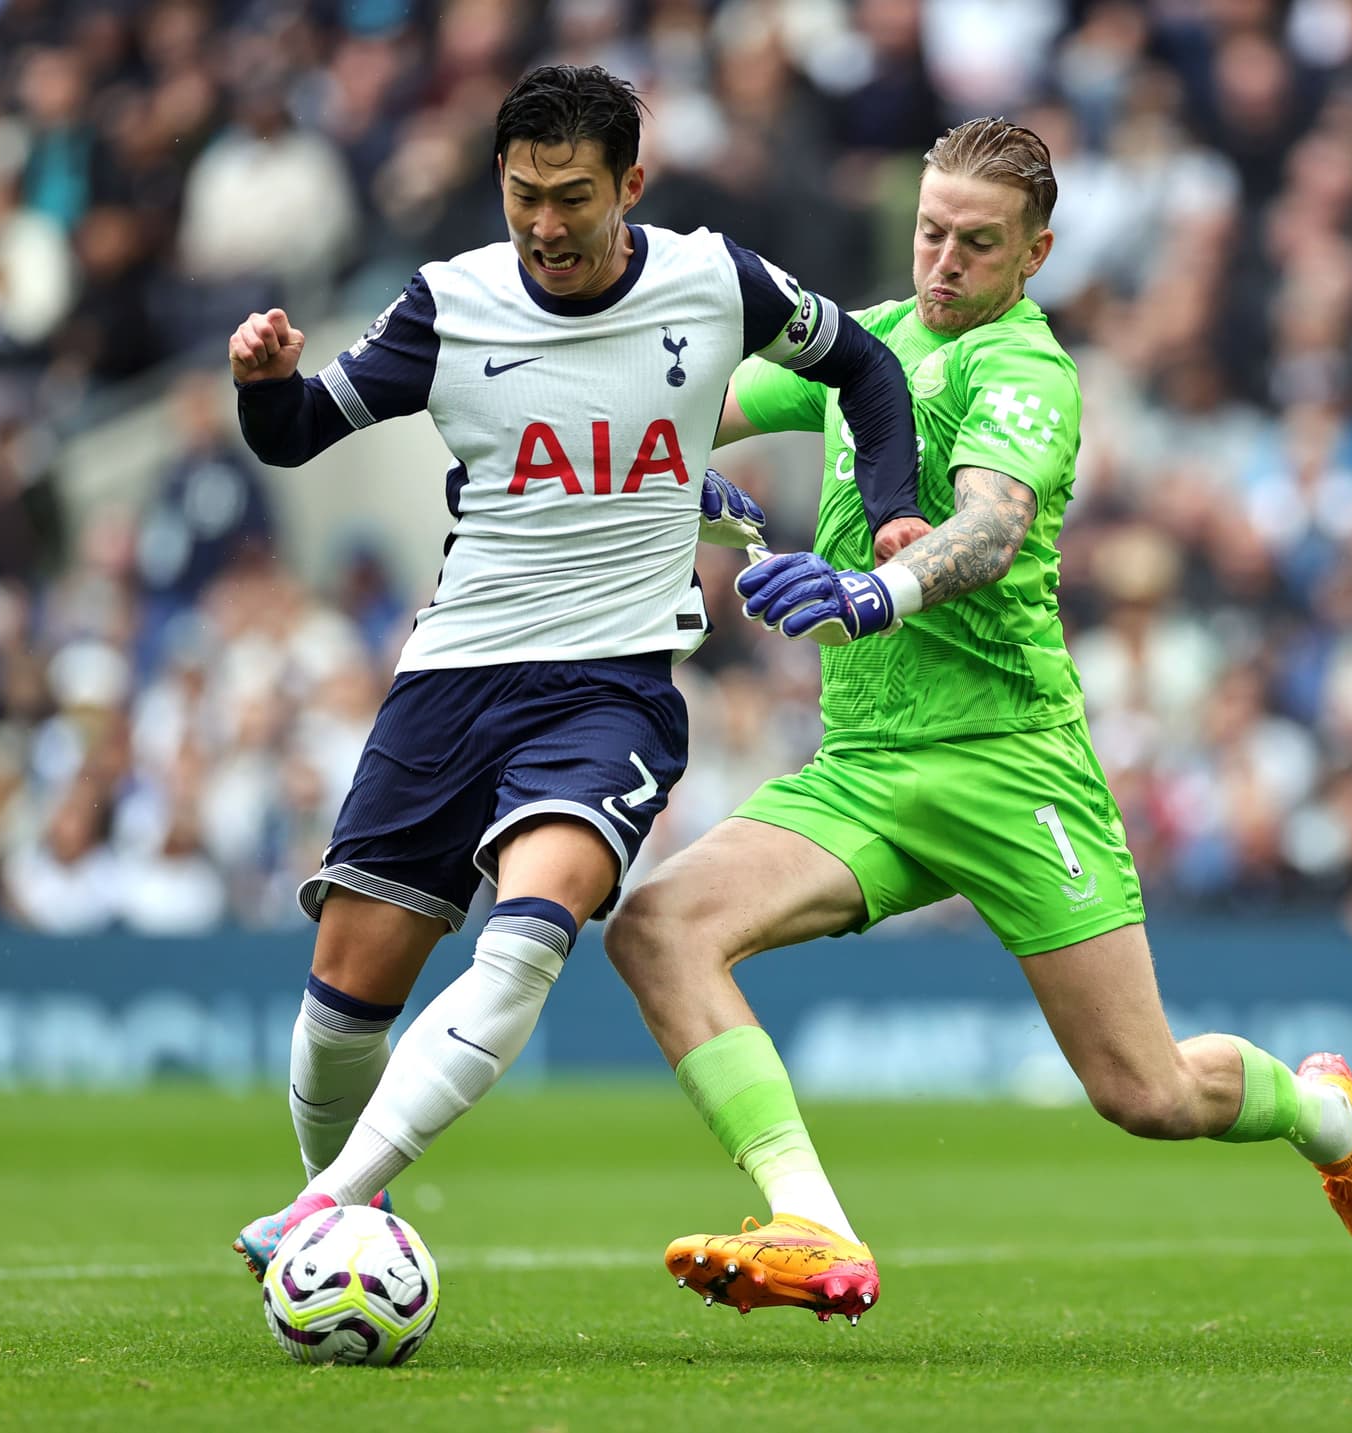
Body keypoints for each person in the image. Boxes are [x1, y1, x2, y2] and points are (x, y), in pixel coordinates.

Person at [604, 118, 1352, 1325]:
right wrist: (654, 470)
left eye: (979, 243)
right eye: (931, 231)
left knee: (1146, 1089)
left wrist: (878, 590)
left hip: (1009, 765)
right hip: (864, 770)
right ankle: (812, 1220)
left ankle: (1326, 1113)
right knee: (658, 926)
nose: (944, 262)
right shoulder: (863, 340)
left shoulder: (1028, 368)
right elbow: (681, 406)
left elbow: (990, 527)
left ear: (1035, 254)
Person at [226, 64, 922, 1279]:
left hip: (611, 687)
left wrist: (897, 511)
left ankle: (319, 1212)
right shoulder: (449, 305)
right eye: (523, 194)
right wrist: (262, 382)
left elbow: (867, 365)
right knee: (345, 997)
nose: (545, 224)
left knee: (529, 935)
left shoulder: (716, 281)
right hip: (452, 679)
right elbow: (298, 435)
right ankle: (334, 1208)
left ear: (631, 186)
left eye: (573, 196)